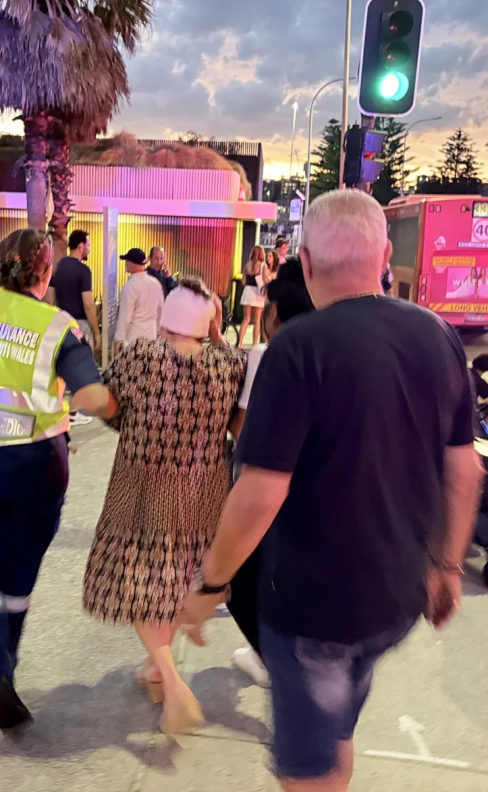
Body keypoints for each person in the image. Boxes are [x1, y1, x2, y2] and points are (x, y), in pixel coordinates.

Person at [179, 189, 484, 791]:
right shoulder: (437, 334)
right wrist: (447, 567)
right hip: (396, 598)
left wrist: (210, 585)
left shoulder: (298, 347)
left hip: (315, 610)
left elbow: (261, 492)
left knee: (307, 771)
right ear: (385, 257)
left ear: (307, 263)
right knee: (334, 732)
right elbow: (465, 470)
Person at [0, 228, 116, 732]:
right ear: (46, 272)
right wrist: (121, 407)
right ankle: (5, 660)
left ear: (1, 264)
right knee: (20, 563)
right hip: (38, 467)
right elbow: (92, 398)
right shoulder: (58, 327)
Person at [82, 279, 244, 736]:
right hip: (204, 492)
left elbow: (112, 411)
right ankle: (155, 669)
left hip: (145, 488)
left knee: (141, 581)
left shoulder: (140, 358)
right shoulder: (230, 365)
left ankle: (172, 683)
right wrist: (217, 338)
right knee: (177, 580)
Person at [227, 259, 316, 690]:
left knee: (237, 578)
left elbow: (243, 426)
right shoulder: (326, 347)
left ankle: (271, 660)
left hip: (265, 486)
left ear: (275, 312)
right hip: (311, 487)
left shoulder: (268, 354)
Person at [48, 229, 101, 427]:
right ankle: (73, 412)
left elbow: (49, 300)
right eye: (88, 245)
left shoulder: (57, 268)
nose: (89, 249)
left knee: (61, 368)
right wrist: (96, 332)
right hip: (80, 324)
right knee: (81, 369)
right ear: (80, 246)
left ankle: (60, 408)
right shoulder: (83, 271)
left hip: (61, 323)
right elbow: (88, 304)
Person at [113, 248, 164, 354]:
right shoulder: (155, 283)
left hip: (133, 341)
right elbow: (161, 311)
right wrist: (158, 332)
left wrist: (119, 339)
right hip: (151, 338)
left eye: (127, 261)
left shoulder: (129, 287)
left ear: (132, 264)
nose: (126, 264)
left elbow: (125, 317)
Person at [237, 246, 268, 348]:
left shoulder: (247, 265)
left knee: (246, 318)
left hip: (247, 292)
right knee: (257, 320)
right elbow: (265, 280)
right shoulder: (263, 265)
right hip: (258, 293)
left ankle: (240, 342)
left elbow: (243, 282)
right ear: (262, 254)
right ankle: (254, 344)